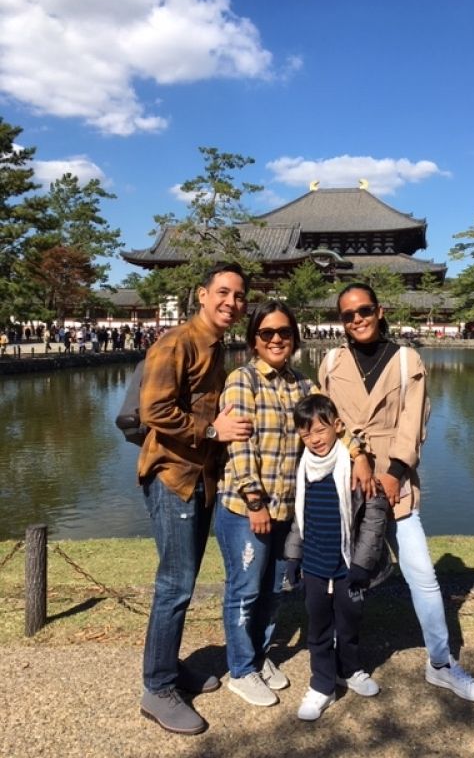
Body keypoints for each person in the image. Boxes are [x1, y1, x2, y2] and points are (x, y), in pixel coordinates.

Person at [320, 282, 474, 703]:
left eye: (364, 310)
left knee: (423, 575)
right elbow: (324, 422)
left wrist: (394, 472)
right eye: (348, 314)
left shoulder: (405, 360)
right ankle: (344, 661)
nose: (357, 319)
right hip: (348, 482)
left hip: (397, 481)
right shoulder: (331, 361)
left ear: (380, 311)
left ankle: (442, 663)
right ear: (340, 321)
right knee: (345, 574)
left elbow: (414, 421)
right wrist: (355, 453)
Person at [137, 262, 253, 735]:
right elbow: (155, 409)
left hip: (200, 476)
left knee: (181, 581)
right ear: (202, 295)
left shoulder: (215, 345)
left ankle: (170, 667)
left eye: (240, 296)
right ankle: (157, 686)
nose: (232, 302)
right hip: (173, 477)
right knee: (175, 585)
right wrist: (211, 429)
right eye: (223, 292)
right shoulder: (177, 342)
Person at [214, 299, 322, 708]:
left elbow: (326, 425)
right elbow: (240, 445)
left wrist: (359, 452)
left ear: (294, 338)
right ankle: (241, 670)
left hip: (287, 509)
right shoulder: (244, 380)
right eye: (267, 333)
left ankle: (259, 656)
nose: (276, 339)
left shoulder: (302, 384)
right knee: (244, 589)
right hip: (246, 509)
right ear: (254, 340)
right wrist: (254, 500)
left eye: (284, 333)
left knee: (274, 589)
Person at [285, 394, 390, 721]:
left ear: (338, 426)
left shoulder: (357, 467)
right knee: (317, 627)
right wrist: (293, 556)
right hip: (315, 567)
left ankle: (350, 669)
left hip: (348, 569)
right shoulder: (304, 469)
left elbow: (374, 517)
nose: (314, 440)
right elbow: (298, 519)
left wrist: (362, 564)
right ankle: (322, 685)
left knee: (348, 623)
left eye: (320, 430)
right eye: (306, 434)